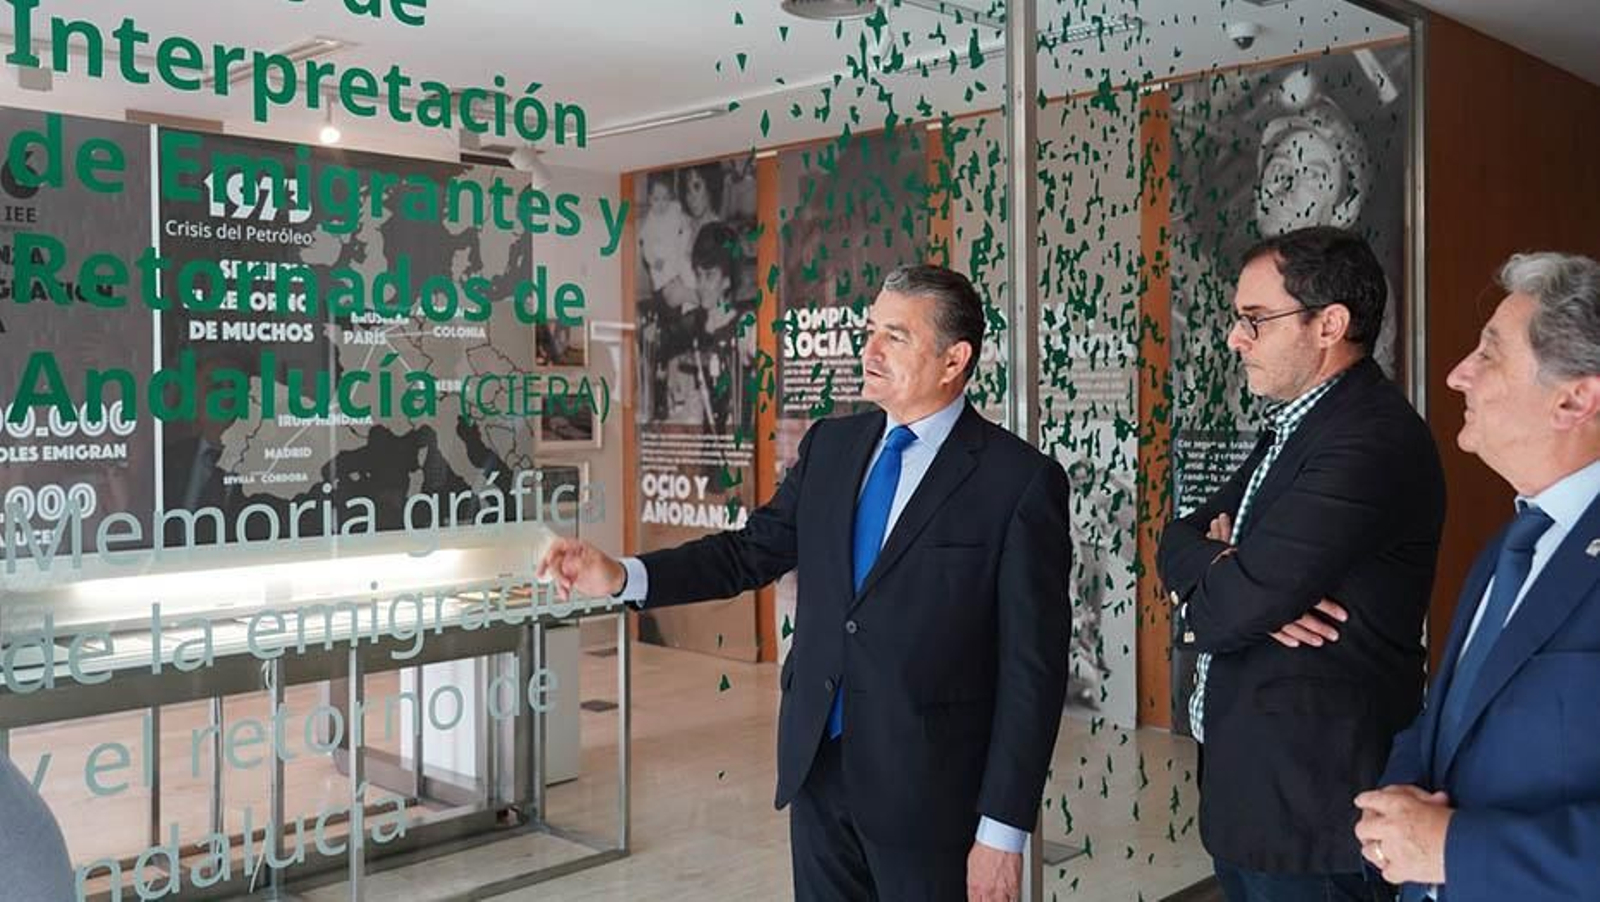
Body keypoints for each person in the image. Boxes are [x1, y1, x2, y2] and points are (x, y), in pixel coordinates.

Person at [541, 264, 1071, 901]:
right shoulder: (833, 446)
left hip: (932, 793)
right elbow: (748, 553)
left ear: (954, 358)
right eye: (871, 330)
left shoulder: (1017, 481)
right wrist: (624, 575)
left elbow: (1031, 671)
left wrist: (1003, 831)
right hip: (819, 768)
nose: (868, 350)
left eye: (895, 336)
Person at [1157, 226, 1445, 901]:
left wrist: (1237, 586)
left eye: (1255, 319)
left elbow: (1238, 606)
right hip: (1259, 799)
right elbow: (1178, 538)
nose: (1235, 338)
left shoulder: (1368, 439)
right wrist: (1227, 567)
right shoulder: (1297, 427)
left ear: (1330, 324)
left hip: (1315, 815)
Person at [1357, 252, 1600, 902]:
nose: (1457, 374)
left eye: (1489, 354)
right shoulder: (1513, 541)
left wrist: (1449, 848)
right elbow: (1451, 717)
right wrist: (1396, 809)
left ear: (1575, 398)